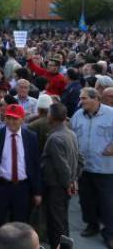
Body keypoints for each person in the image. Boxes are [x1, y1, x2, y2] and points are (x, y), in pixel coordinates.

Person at [0, 104, 42, 249]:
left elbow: (35, 165)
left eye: (15, 119)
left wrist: (37, 191)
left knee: (21, 229)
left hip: (22, 188)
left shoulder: (31, 137)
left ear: (22, 119)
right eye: (8, 118)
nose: (11, 122)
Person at [70, 87, 113, 248]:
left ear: (96, 99)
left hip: (105, 169)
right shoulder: (77, 115)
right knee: (86, 200)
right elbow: (72, 135)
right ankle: (92, 225)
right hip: (84, 167)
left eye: (85, 98)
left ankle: (110, 233)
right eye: (81, 98)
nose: (81, 101)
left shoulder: (110, 114)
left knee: (107, 202)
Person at [42, 103, 83, 249]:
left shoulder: (55, 138)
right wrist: (74, 181)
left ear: (51, 117)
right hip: (65, 185)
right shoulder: (71, 133)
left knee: (56, 223)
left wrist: (68, 184)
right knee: (63, 220)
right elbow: (80, 160)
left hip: (57, 186)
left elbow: (62, 166)